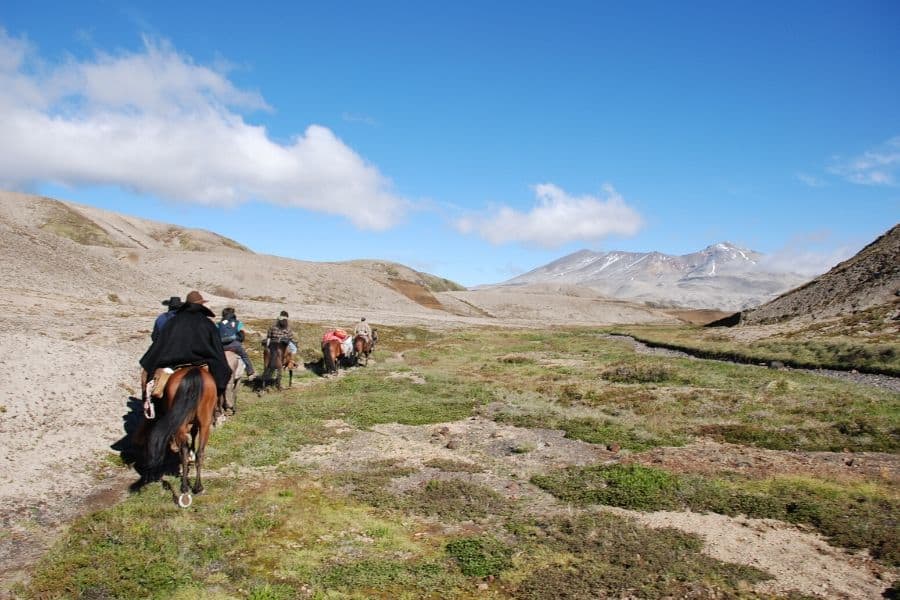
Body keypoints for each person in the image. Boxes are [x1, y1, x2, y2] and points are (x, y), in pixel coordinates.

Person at [140, 290, 232, 398]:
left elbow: (160, 342)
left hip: (174, 363)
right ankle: (217, 406)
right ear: (201, 305)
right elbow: (217, 348)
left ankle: (151, 406)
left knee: (150, 379)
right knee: (222, 375)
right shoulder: (208, 323)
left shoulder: (173, 322)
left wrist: (150, 362)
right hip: (203, 362)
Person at [218, 307, 255, 379]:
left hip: (222, 347)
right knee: (244, 356)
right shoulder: (238, 323)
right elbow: (242, 334)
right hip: (235, 345)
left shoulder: (219, 324)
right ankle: (250, 373)